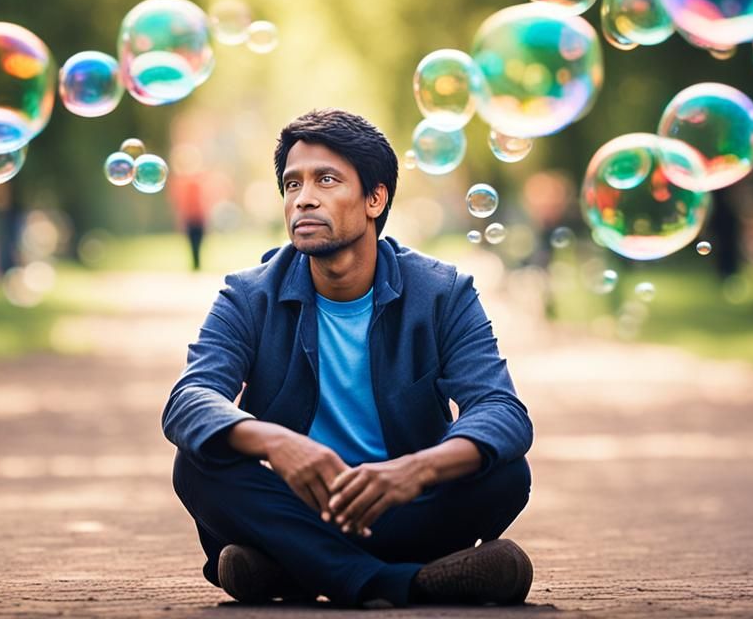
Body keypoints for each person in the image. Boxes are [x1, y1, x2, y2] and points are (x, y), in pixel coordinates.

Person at [162, 110, 534, 608]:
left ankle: (294, 572)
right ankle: (400, 583)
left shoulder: (443, 293)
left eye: (327, 179)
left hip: (403, 507)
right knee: (195, 464)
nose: (304, 198)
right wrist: (275, 443)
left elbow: (503, 412)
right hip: (295, 506)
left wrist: (415, 471)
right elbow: (189, 400)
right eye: (292, 185)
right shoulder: (249, 296)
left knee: (507, 472)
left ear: (375, 199)